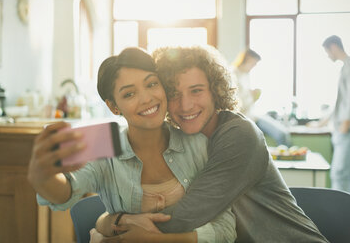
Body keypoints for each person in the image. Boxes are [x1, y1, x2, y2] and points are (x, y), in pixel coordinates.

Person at [98, 45, 328, 242]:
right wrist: (113, 220)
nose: (186, 105)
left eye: (196, 91)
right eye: (174, 94)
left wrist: (115, 225)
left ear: (215, 91)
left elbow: (188, 215)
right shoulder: (184, 142)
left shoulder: (238, 134)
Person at [27, 47, 237, 243]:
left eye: (152, 84)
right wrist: (43, 176)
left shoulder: (197, 142)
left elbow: (226, 229)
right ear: (113, 106)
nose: (146, 98)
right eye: (129, 94)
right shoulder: (101, 140)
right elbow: (66, 190)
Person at [317, 35, 350, 223]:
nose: (327, 56)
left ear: (333, 47)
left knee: (339, 173)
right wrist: (323, 123)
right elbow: (340, 102)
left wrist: (345, 125)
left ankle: (344, 218)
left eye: (326, 52)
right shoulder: (348, 66)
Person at [232, 49, 292, 147]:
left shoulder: (245, 75)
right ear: (247, 59)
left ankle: (290, 158)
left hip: (253, 116)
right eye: (254, 63)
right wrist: (252, 97)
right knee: (279, 136)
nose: (254, 66)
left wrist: (253, 96)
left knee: (283, 134)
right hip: (244, 118)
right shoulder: (233, 74)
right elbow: (236, 104)